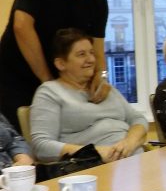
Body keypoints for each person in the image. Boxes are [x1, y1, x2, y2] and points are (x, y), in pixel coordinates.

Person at [0, 0, 112, 133]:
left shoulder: (98, 1)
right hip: (14, 80)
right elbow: (22, 27)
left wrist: (101, 76)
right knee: (20, 143)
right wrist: (49, 83)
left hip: (59, 86)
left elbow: (97, 49)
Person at [30, 28, 148, 163]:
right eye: (81, 54)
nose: (91, 59)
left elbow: (138, 119)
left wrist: (130, 142)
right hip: (95, 167)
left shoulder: (103, 88)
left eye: (91, 53)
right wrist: (93, 153)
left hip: (136, 158)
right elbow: (41, 146)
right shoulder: (50, 92)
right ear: (61, 64)